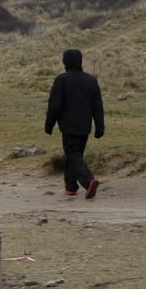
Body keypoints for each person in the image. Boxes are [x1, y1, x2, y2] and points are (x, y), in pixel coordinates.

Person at [45, 48, 104, 199]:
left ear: (65, 62)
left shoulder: (62, 79)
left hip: (69, 126)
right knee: (74, 154)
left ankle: (89, 181)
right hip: (85, 126)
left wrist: (49, 124)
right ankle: (71, 187)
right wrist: (99, 126)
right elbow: (98, 106)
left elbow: (54, 105)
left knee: (72, 154)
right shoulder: (91, 80)